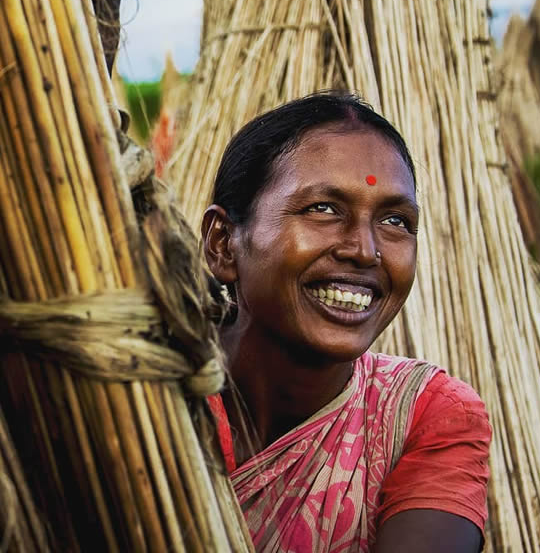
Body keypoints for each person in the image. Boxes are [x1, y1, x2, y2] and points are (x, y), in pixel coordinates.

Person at [201, 92, 491, 553]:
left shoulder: (424, 416)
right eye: (323, 208)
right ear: (222, 243)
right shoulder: (144, 396)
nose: (364, 250)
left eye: (395, 220)